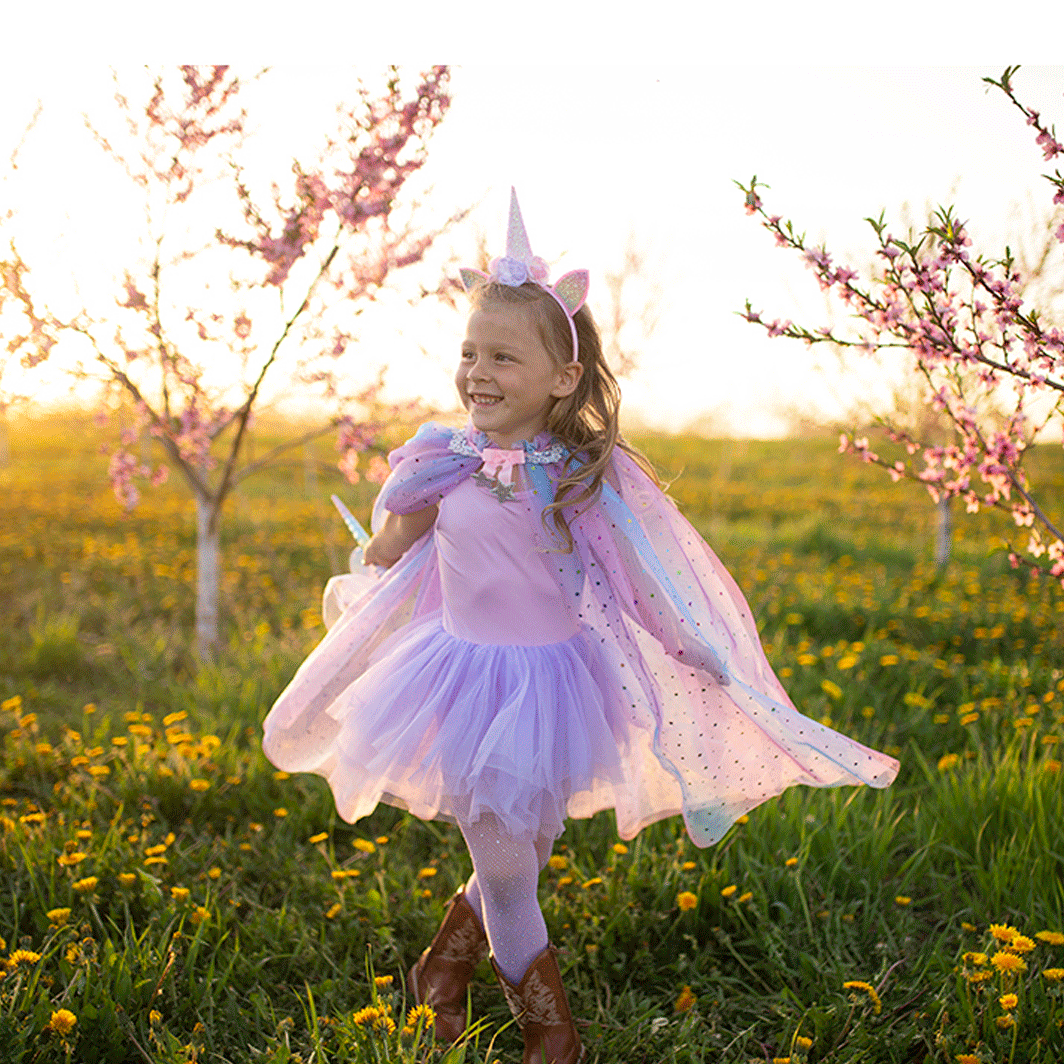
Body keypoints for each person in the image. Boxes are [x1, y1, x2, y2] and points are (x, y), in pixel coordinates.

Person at [262, 189, 899, 1064]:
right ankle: (551, 1037)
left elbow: (632, 577)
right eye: (469, 353)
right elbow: (389, 549)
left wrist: (686, 643)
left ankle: (439, 974)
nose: (478, 373)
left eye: (503, 359)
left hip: (557, 684)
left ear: (562, 378)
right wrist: (391, 518)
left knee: (532, 844)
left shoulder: (575, 477)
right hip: (462, 682)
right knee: (510, 867)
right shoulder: (439, 463)